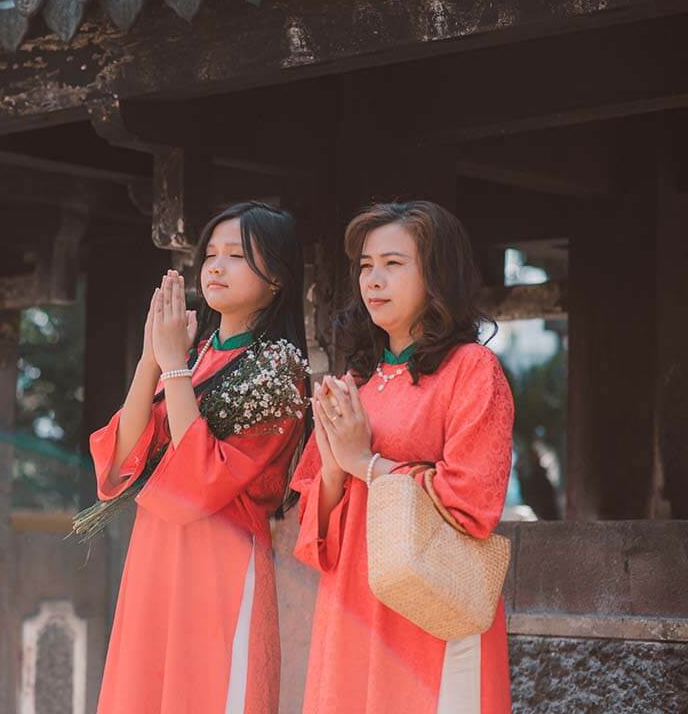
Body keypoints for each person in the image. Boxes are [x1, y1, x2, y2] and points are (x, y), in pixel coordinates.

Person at [292, 200, 515, 713]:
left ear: (438, 275)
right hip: (351, 599)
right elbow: (313, 532)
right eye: (366, 266)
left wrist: (365, 465)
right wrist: (333, 467)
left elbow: (472, 504)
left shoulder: (472, 370)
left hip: (430, 606)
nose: (374, 280)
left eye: (394, 264)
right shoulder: (356, 384)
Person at [90, 202, 309, 714]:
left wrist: (172, 367)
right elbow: (121, 464)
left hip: (219, 556)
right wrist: (152, 358)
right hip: (156, 547)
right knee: (143, 687)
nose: (215, 266)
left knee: (207, 692)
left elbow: (200, 478)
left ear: (277, 275)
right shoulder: (192, 352)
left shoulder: (279, 367)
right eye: (211, 253)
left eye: (236, 255)